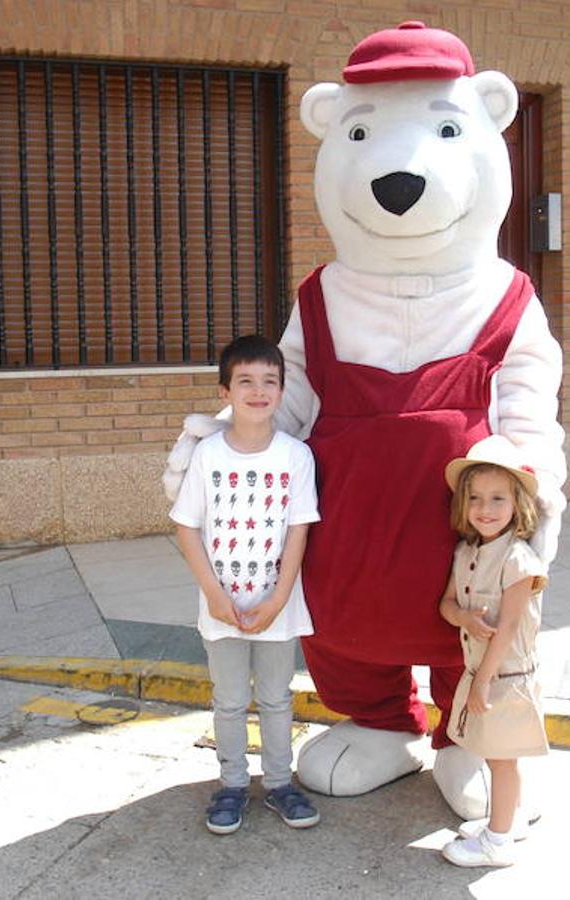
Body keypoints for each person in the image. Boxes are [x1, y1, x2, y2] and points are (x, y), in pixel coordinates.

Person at [169, 335, 322, 835]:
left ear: (281, 390)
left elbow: (299, 528)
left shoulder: (296, 456)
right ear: (225, 391)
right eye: (246, 381)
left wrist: (280, 597)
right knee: (230, 700)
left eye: (269, 382)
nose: (258, 391)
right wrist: (214, 594)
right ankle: (232, 785)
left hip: (278, 606)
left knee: (278, 698)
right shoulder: (208, 455)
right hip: (221, 607)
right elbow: (186, 526)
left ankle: (280, 783)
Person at [437, 435, 549, 868]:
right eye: (476, 499)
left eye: (498, 498)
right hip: (481, 673)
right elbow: (447, 605)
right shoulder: (466, 551)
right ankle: (512, 819)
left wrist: (481, 681)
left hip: (505, 677)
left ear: (516, 504)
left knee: (502, 761)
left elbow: (508, 628)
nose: (486, 509)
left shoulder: (519, 561)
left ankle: (497, 842)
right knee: (495, 753)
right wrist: (463, 619)